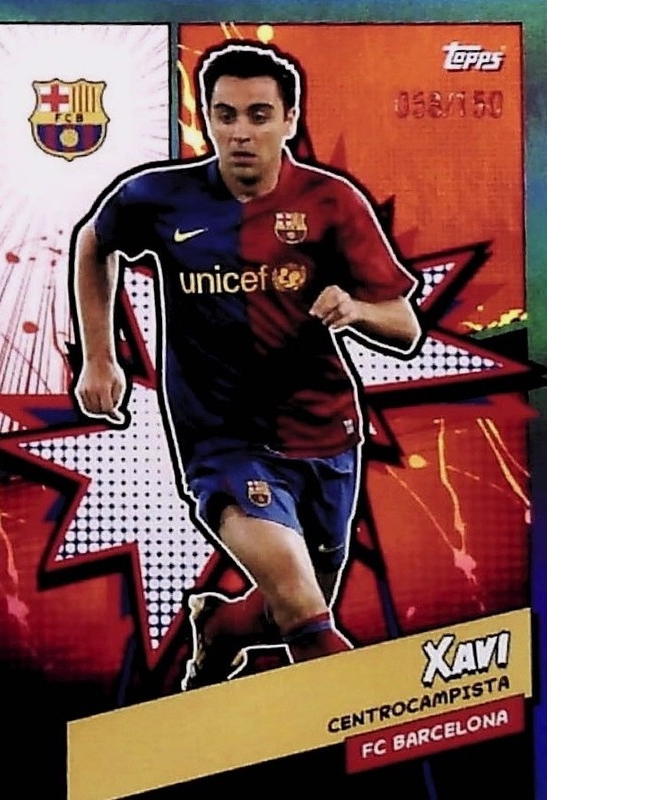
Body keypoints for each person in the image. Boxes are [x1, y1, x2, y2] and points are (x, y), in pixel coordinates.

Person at [72, 41, 422, 690]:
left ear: (289, 120)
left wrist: (355, 309)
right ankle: (364, 718)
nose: (240, 132)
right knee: (306, 613)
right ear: (205, 117)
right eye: (225, 114)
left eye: (259, 115)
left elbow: (404, 327)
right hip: (223, 440)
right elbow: (96, 240)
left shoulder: (332, 202)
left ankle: (221, 627)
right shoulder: (160, 197)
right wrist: (99, 356)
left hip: (326, 436)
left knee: (297, 601)